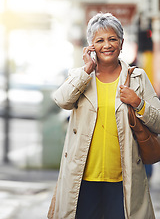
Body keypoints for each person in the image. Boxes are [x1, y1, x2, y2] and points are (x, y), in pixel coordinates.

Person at [48, 13, 160, 219]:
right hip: (82, 178)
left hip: (122, 178)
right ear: (91, 45)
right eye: (99, 40)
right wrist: (86, 70)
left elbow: (159, 123)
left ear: (122, 43)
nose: (106, 45)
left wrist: (138, 103)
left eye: (112, 39)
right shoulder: (80, 76)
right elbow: (62, 100)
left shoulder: (137, 77)